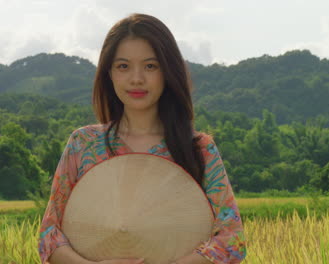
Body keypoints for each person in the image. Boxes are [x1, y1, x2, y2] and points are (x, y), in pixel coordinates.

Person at [38, 13, 247, 264]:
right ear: (109, 73)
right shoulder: (83, 145)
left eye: (150, 66)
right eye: (123, 66)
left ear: (168, 72)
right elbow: (49, 236)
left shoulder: (199, 149)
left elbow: (232, 239)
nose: (136, 78)